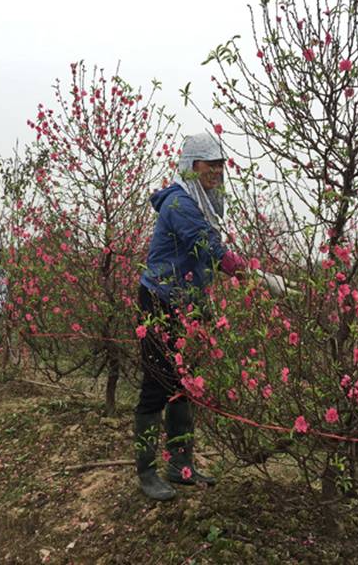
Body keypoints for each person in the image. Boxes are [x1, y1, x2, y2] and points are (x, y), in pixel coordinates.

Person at [134, 132, 248, 501]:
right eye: (209, 164)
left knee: (182, 382)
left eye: (220, 165)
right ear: (191, 166)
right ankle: (147, 471)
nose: (216, 171)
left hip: (186, 302)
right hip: (160, 302)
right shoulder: (180, 204)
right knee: (157, 383)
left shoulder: (202, 202)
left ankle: (180, 465)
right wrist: (245, 270)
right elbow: (206, 247)